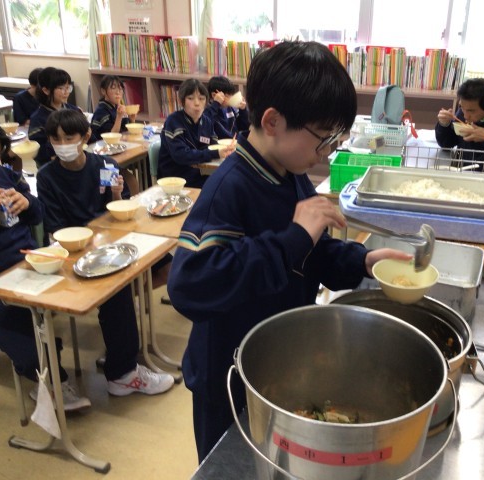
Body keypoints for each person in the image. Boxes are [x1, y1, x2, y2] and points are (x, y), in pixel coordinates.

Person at [166, 41, 413, 462]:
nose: (328, 151)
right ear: (273, 121)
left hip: (277, 360)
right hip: (227, 375)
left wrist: (362, 261)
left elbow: (310, 250)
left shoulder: (290, 172)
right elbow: (189, 283)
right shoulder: (229, 187)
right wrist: (291, 239)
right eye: (324, 137)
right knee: (229, 465)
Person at [36, 108, 175, 399]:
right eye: (56, 139)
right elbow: (57, 228)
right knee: (117, 293)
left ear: (85, 136)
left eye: (69, 138)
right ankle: (123, 373)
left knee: (169, 267)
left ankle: (122, 339)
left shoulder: (104, 164)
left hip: (113, 239)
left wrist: (116, 195)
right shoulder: (47, 176)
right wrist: (91, 239)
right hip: (77, 249)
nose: (62, 144)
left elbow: (121, 208)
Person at [0, 111, 91, 410]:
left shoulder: (3, 174)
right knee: (28, 339)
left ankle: (122, 367)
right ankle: (50, 380)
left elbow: (38, 215)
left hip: (29, 265)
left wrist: (28, 203)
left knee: (97, 286)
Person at [157, 79, 235, 188]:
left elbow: (212, 145)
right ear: (181, 101)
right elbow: (181, 155)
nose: (197, 103)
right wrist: (215, 153)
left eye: (201, 98)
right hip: (175, 178)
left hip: (198, 172)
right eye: (190, 98)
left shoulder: (206, 121)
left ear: (206, 101)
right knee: (222, 186)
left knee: (231, 180)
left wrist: (225, 151)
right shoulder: (173, 121)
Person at [28, 67, 80, 169]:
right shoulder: (38, 118)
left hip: (76, 160)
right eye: (61, 88)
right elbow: (39, 152)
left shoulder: (74, 110)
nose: (66, 92)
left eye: (68, 87)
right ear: (46, 90)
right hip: (52, 167)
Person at [89, 75, 136, 143]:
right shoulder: (100, 112)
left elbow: (126, 132)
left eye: (120, 89)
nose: (118, 92)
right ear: (103, 91)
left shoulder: (118, 107)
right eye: (113, 88)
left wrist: (132, 120)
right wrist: (119, 117)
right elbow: (111, 137)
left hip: (121, 143)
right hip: (104, 146)